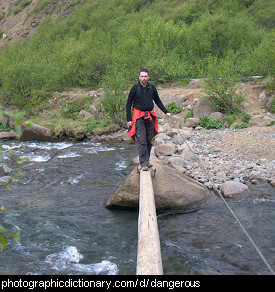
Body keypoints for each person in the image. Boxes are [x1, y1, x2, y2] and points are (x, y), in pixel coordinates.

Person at [126, 68, 171, 171]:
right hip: (139, 117)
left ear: (148, 77)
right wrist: (129, 119)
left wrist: (166, 111)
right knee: (141, 140)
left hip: (150, 116)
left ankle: (147, 160)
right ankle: (144, 164)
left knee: (148, 140)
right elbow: (128, 104)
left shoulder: (152, 88)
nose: (144, 78)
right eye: (142, 76)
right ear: (139, 77)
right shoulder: (135, 88)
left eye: (145, 76)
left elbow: (157, 101)